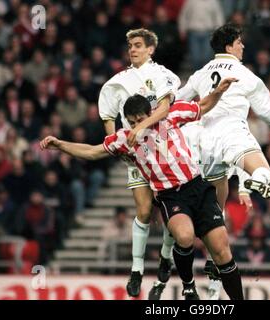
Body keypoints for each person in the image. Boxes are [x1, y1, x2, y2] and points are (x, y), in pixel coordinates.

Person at [40, 77, 244, 300]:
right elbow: (91, 151)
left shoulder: (170, 115)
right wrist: (60, 145)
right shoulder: (125, 139)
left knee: (222, 250)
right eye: (131, 121)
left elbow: (203, 106)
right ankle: (188, 286)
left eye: (140, 119)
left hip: (197, 186)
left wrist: (219, 91)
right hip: (171, 196)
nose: (137, 124)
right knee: (184, 237)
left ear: (151, 112)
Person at [176, 23, 270, 298]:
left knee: (216, 206)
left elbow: (178, 100)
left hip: (202, 138)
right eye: (239, 42)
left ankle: (212, 271)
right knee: (265, 172)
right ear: (229, 46)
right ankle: (253, 182)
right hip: (232, 131)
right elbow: (264, 110)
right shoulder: (244, 74)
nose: (243, 46)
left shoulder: (201, 73)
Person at [97, 28, 180, 297]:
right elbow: (108, 116)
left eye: (138, 45)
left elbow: (166, 109)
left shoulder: (164, 75)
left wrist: (138, 127)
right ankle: (136, 270)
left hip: (165, 152)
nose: (132, 49)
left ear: (150, 49)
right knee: (144, 210)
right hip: (136, 155)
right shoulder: (117, 82)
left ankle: (166, 257)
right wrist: (114, 141)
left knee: (169, 212)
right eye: (130, 45)